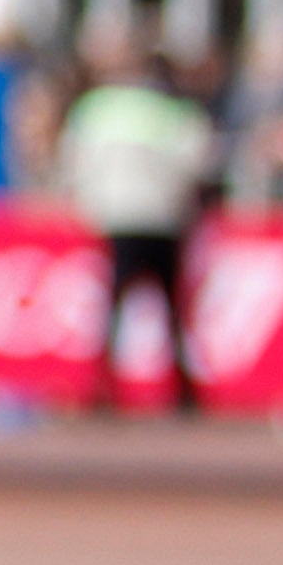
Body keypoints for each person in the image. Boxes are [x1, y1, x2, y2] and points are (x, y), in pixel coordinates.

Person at [59, 38, 216, 412]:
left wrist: (89, 205)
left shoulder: (97, 109)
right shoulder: (174, 110)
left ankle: (101, 385)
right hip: (164, 217)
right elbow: (199, 161)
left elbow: (75, 163)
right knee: (173, 308)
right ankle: (183, 391)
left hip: (117, 217)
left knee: (114, 305)